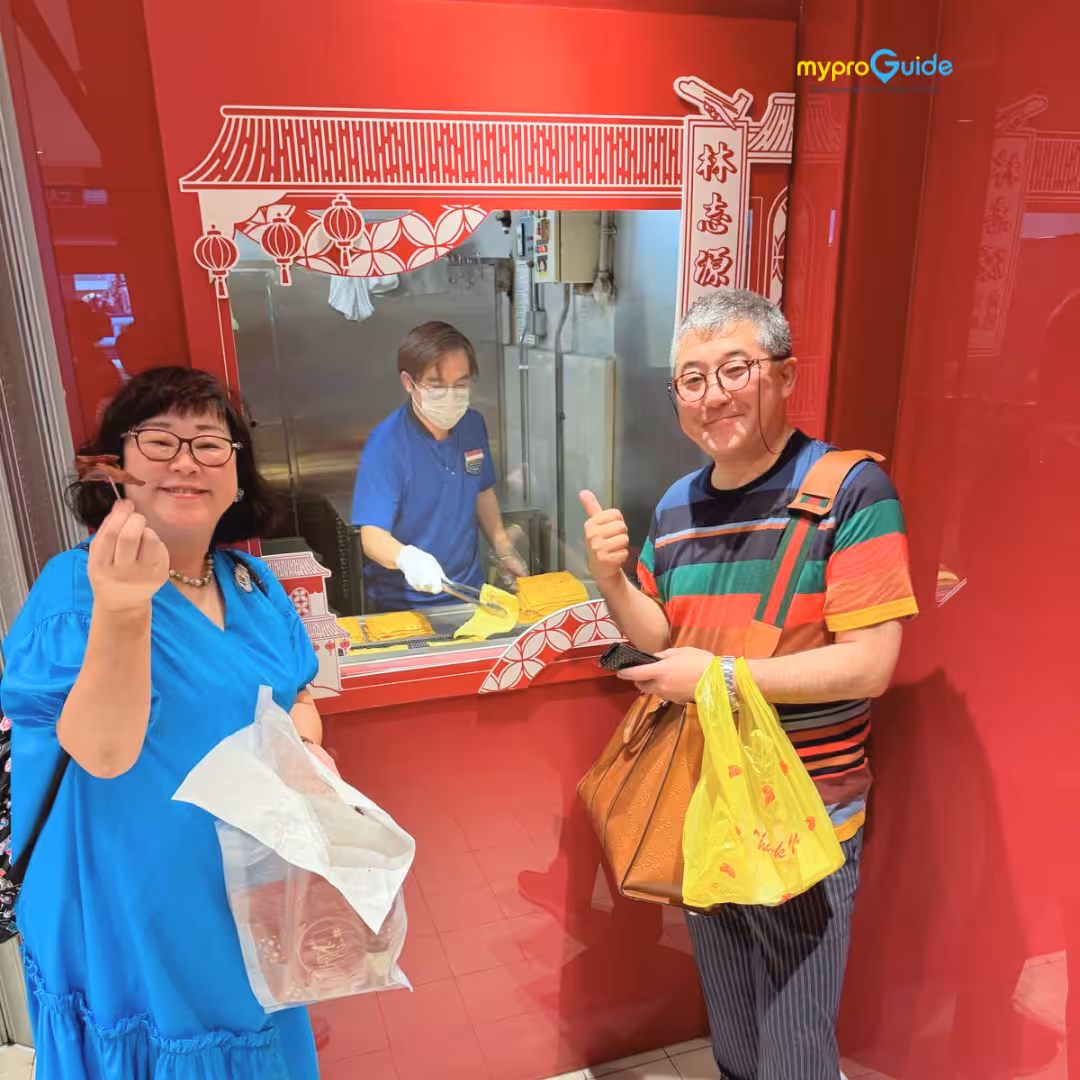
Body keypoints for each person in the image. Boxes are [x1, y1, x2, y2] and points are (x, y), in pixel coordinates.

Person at [580, 289, 918, 1080]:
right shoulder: (676, 506)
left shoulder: (853, 491)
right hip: (706, 799)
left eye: (735, 369)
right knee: (731, 1025)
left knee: (795, 1045)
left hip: (807, 811)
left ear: (785, 374)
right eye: (692, 380)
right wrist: (610, 579)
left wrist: (721, 677)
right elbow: (660, 633)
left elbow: (870, 664)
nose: (713, 396)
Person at [2, 367, 325, 1080]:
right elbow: (99, 752)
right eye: (158, 440)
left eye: (210, 443)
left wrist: (307, 751)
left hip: (249, 893)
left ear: (236, 475)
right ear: (114, 468)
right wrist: (122, 608)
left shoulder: (255, 584)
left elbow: (298, 694)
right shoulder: (73, 589)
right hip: (134, 905)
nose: (186, 460)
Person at [351, 321, 526, 611]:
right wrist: (407, 558)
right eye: (436, 385)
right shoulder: (387, 445)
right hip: (404, 605)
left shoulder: (472, 425)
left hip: (470, 594)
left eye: (461, 384)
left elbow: (481, 491)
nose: (450, 395)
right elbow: (372, 537)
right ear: (409, 383)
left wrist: (503, 546)